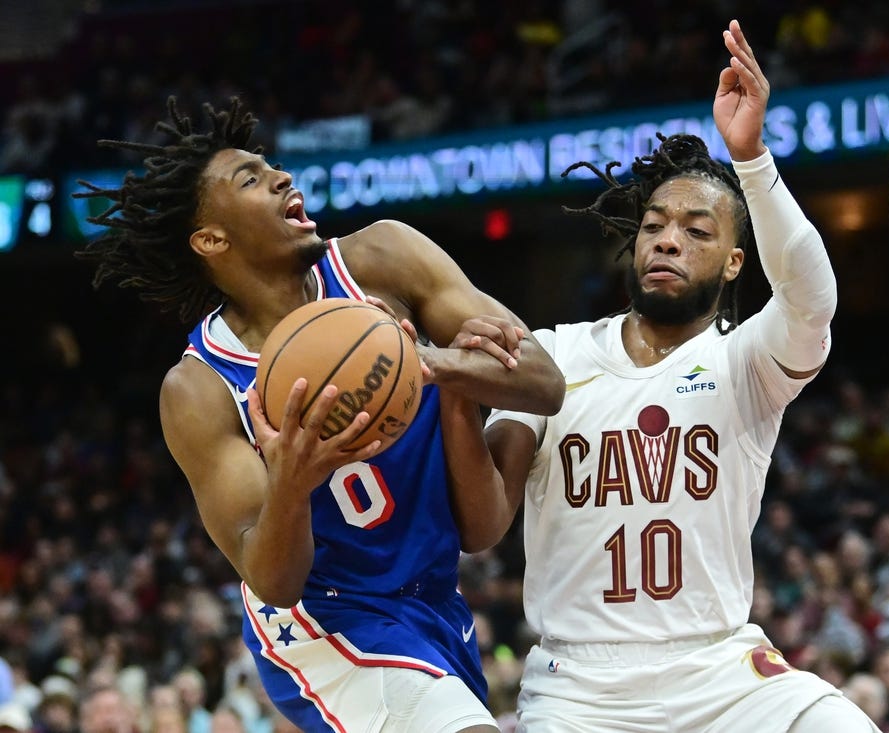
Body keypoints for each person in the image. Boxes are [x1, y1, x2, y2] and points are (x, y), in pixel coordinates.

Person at [74, 95, 564, 732]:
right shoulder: (201, 388)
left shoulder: (382, 260)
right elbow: (273, 578)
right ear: (210, 238)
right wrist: (292, 484)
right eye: (249, 178)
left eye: (272, 165)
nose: (280, 175)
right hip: (320, 623)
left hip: (433, 598)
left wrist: (431, 363)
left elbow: (545, 383)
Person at [483, 19, 880, 732]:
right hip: (580, 682)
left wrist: (752, 158)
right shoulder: (553, 353)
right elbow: (481, 517)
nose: (669, 237)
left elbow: (813, 298)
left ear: (734, 263)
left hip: (719, 669)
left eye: (698, 230)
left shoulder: (746, 360)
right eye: (656, 224)